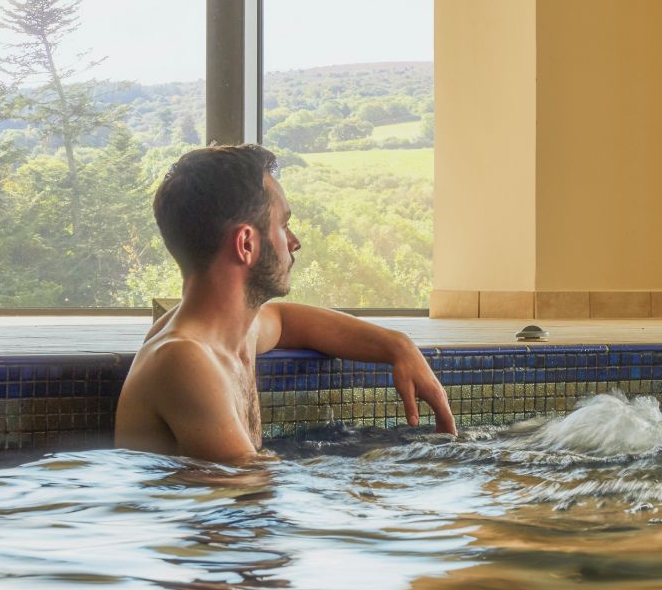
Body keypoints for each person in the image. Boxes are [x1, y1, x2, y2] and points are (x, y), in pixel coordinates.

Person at [115, 143, 454, 461]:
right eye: (284, 225)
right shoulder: (183, 359)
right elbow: (249, 493)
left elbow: (288, 321)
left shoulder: (230, 332)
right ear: (246, 244)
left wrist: (399, 347)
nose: (295, 242)